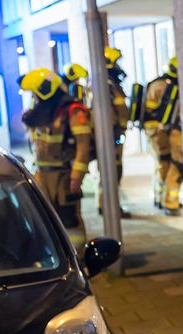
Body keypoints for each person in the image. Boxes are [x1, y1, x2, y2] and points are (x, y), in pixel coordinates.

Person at [19, 68, 92, 255]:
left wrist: (77, 176)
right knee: (45, 219)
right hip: (41, 175)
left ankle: (79, 257)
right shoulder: (43, 112)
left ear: (44, 90)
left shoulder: (73, 111)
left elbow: (83, 147)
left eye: (35, 93)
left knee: (69, 218)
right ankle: (56, 257)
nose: (34, 98)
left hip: (64, 176)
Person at [142, 57, 182, 216]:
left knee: (162, 164)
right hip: (162, 132)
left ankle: (159, 198)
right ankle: (169, 202)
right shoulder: (169, 87)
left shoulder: (157, 83)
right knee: (174, 165)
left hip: (154, 132)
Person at [102, 47, 132, 218]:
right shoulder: (108, 85)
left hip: (113, 133)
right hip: (113, 134)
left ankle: (106, 205)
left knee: (112, 168)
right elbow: (119, 110)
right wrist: (120, 130)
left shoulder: (106, 83)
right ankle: (110, 207)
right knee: (113, 169)